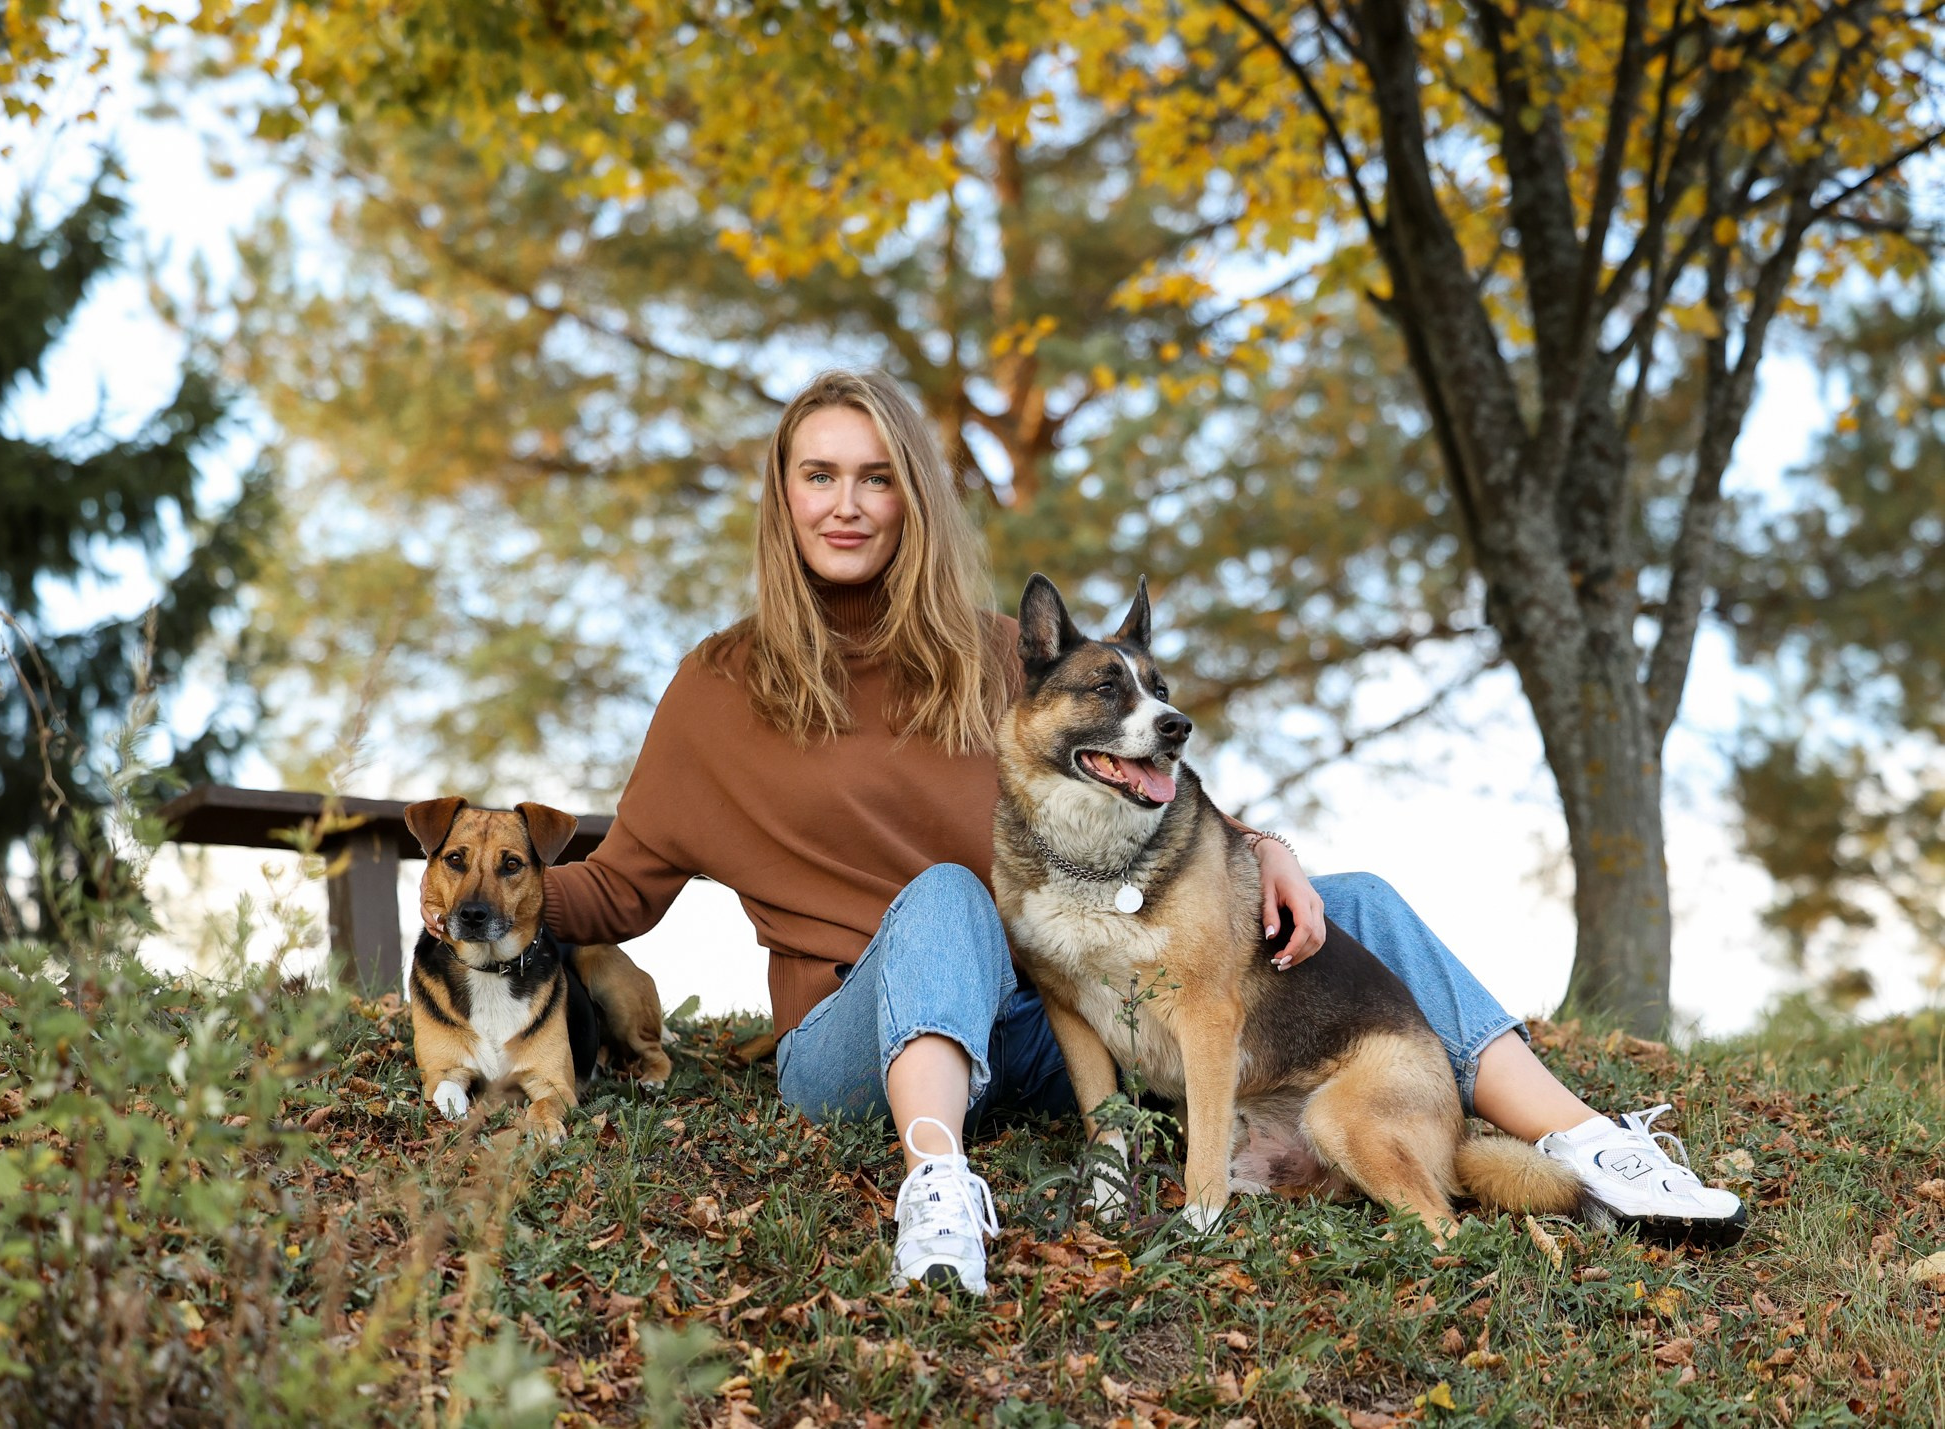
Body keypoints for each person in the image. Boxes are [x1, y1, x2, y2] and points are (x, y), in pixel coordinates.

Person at [536, 368, 1744, 1295]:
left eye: (876, 475)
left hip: (1042, 1014)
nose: (847, 502)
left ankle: (1594, 1147)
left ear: (912, 495)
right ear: (783, 494)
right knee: (951, 894)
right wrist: (488, 872)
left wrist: (1256, 843)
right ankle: (939, 1186)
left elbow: (1144, 772)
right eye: (819, 474)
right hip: (860, 1036)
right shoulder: (717, 686)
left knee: (1351, 898)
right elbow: (622, 888)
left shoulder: (1002, 654)